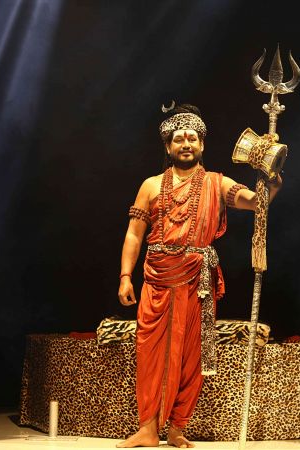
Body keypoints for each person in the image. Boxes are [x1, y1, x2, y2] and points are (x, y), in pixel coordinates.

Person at [116, 104, 281, 448]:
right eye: (179, 139)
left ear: (202, 144)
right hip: (157, 280)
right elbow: (134, 233)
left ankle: (177, 428)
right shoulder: (150, 186)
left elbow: (257, 202)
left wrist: (271, 172)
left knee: (191, 356)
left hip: (196, 283)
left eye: (192, 138)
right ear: (168, 147)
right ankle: (147, 429)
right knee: (149, 354)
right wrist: (125, 276)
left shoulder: (217, 183)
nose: (186, 144)